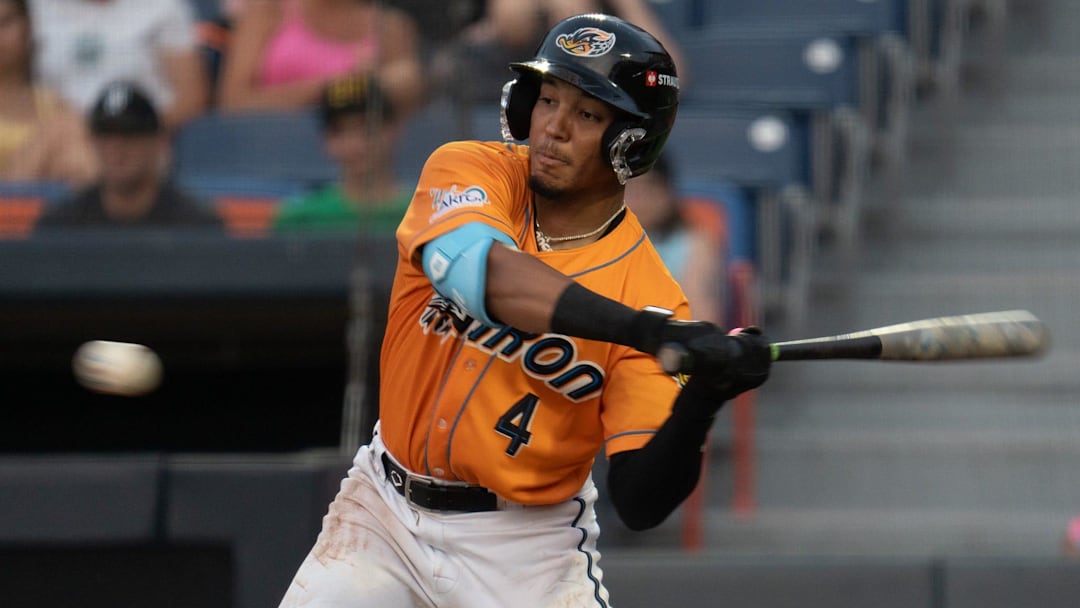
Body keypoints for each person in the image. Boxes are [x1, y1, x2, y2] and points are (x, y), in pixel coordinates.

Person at [277, 14, 770, 608]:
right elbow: (477, 272)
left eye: (587, 115)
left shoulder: (652, 292)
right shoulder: (469, 169)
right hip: (384, 509)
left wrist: (701, 400)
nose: (554, 129)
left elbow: (641, 502)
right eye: (547, 100)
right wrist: (643, 330)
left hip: (522, 548)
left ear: (630, 142)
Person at [36, 81, 222, 229]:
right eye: (106, 135)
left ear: (157, 142)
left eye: (130, 133)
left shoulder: (195, 225)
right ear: (92, 142)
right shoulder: (63, 225)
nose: (117, 146)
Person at [433, 0, 688, 105]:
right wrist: (502, 26)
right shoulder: (484, 38)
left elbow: (673, 80)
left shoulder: (617, 20)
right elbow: (440, 76)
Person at [216, 0, 424, 116]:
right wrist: (334, 87)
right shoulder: (267, 11)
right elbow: (234, 102)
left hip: (356, 164)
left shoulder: (391, 26)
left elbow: (406, 92)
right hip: (267, 154)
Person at [29, 0, 209, 131]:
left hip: (138, 138)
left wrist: (134, 133)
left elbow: (191, 98)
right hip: (54, 136)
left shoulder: (162, 6)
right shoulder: (34, 9)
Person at [273, 73, 409, 233]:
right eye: (339, 131)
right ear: (325, 140)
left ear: (394, 129)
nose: (354, 144)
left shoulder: (427, 213)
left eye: (368, 129)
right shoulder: (300, 217)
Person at [0, 0, 96, 185]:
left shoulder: (54, 104)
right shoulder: (62, 122)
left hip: (37, 205)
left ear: (27, 28)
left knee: (76, 156)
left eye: (4, 23)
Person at [625, 153, 725, 324]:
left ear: (668, 193)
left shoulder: (695, 244)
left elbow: (701, 316)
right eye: (631, 190)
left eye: (650, 190)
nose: (640, 201)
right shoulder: (596, 244)